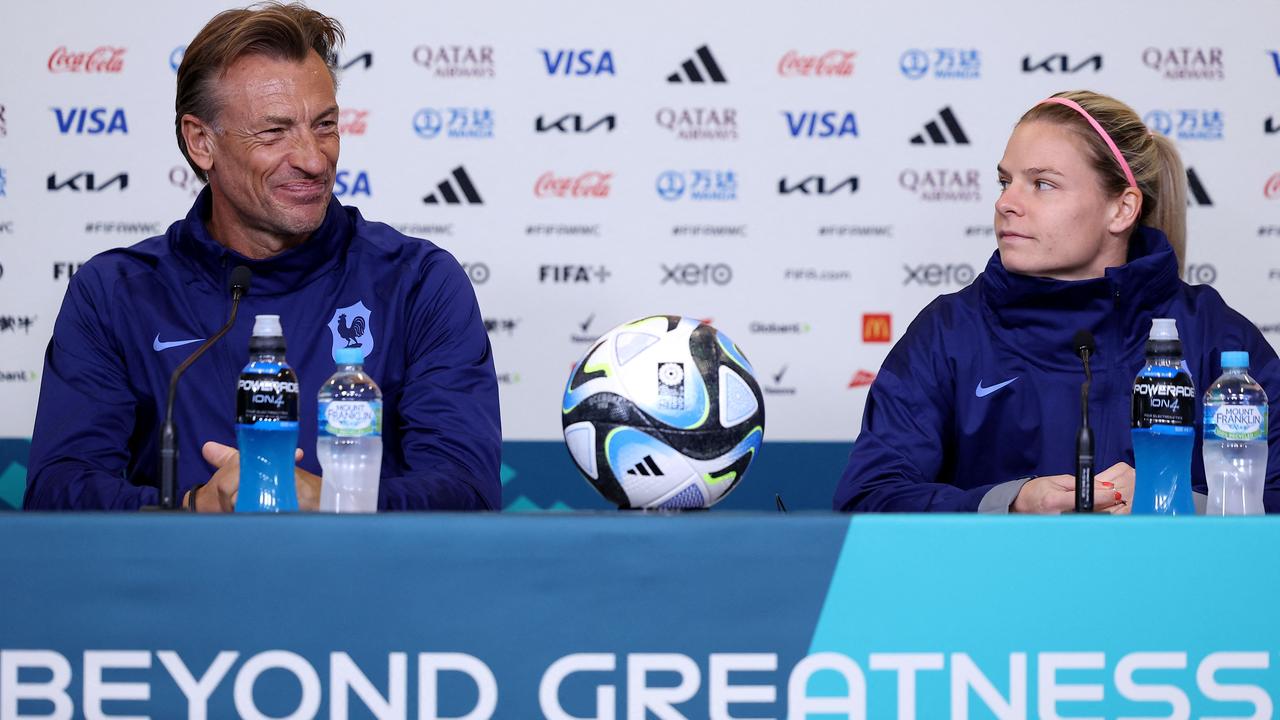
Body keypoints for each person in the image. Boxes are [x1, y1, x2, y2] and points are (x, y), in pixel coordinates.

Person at [24, 2, 501, 511]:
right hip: (178, 587)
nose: (314, 159)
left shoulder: (418, 283)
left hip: (368, 587)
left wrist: (331, 500)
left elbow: (467, 493)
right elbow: (56, 493)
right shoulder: (117, 292)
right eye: (274, 132)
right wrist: (190, 510)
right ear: (201, 142)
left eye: (324, 125)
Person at [834, 90, 1280, 514]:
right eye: (1005, 181)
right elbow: (869, 498)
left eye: (1042, 184)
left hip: (1177, 594)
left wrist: (1173, 501)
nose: (1006, 202)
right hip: (994, 593)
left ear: (1121, 210)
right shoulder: (948, 333)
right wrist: (1009, 503)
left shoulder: (1214, 337)